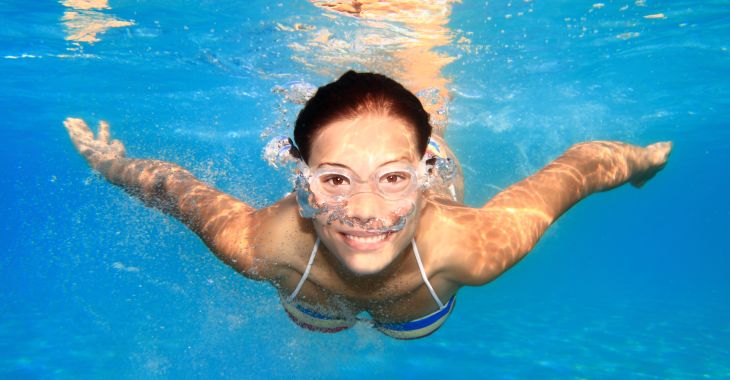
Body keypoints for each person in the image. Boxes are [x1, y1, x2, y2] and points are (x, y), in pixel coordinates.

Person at [64, 71, 672, 339]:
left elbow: (582, 169)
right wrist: (108, 162)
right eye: (333, 180)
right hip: (312, 296)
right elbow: (171, 189)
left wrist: (639, 163)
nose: (364, 210)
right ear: (302, 181)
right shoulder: (260, 245)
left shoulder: (472, 248)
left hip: (418, 308)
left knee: (402, 329)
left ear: (425, 174)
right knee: (315, 319)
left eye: (392, 177)